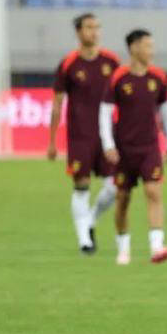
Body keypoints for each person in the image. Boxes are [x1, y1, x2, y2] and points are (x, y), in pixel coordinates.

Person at [99, 29, 167, 265]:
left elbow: (164, 110)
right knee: (123, 199)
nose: (152, 51)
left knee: (154, 192)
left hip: (150, 147)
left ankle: (156, 246)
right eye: (147, 46)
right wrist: (108, 145)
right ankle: (123, 248)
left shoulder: (158, 77)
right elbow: (105, 112)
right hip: (124, 149)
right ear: (133, 48)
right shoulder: (118, 77)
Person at [49, 13, 121, 254]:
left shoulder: (111, 61)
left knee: (115, 186)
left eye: (97, 27)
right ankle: (84, 241)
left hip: (108, 135)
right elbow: (57, 104)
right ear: (79, 32)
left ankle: (90, 219)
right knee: (81, 185)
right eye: (89, 27)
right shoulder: (68, 64)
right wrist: (52, 141)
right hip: (80, 136)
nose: (95, 31)